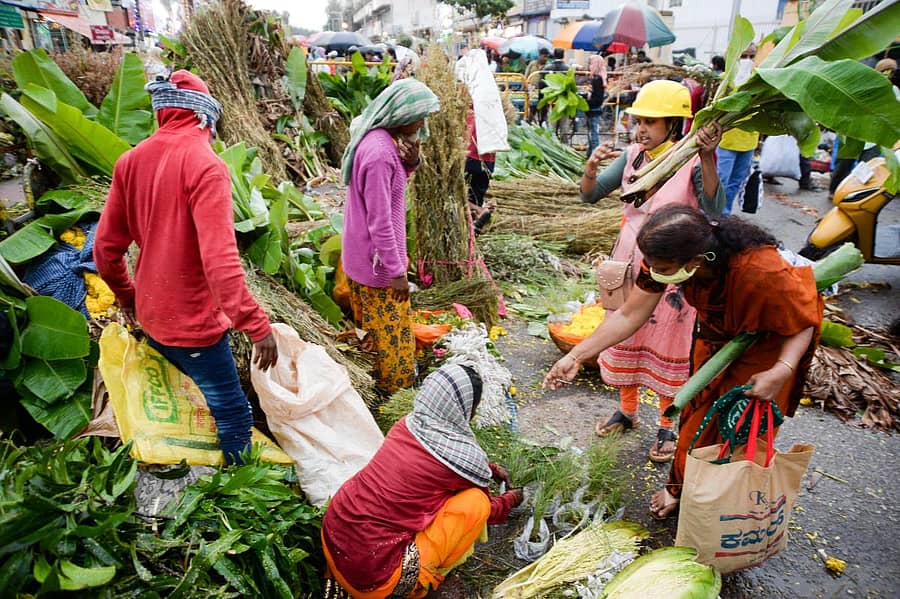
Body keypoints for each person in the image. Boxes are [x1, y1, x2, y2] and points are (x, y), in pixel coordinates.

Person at [544, 205, 823, 519]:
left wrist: (781, 371)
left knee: (740, 426)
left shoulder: (762, 271)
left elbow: (802, 321)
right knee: (695, 420)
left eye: (660, 266)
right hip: (715, 339)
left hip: (768, 348)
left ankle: (728, 506)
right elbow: (629, 313)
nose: (652, 271)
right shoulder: (666, 261)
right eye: (649, 263)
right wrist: (576, 355)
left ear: (696, 261)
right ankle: (680, 488)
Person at [93, 70, 278, 465]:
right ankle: (237, 494)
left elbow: (106, 251)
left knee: (183, 400)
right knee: (231, 411)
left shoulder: (130, 162)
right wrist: (256, 325)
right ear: (204, 117)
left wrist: (129, 297)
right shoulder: (206, 165)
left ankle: (185, 473)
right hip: (192, 322)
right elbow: (220, 262)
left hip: (152, 312)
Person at [580, 79, 725, 463]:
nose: (641, 129)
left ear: (674, 125)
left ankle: (666, 422)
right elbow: (590, 194)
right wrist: (591, 169)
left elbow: (714, 209)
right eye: (639, 120)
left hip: (671, 268)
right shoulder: (631, 157)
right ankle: (627, 410)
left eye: (652, 122)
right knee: (625, 336)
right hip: (629, 261)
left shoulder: (689, 158)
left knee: (668, 344)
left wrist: (709, 159)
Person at [322, 364, 524, 597]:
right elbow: (491, 510)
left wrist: (488, 469)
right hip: (375, 580)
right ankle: (419, 582)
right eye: (474, 408)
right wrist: (511, 499)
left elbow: (424, 470)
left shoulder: (407, 425)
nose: (475, 414)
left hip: (334, 538)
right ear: (462, 407)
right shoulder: (462, 460)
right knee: (476, 502)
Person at [340, 78, 440, 394]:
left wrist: (411, 163)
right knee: (394, 339)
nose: (423, 124)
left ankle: (374, 390)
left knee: (371, 335)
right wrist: (396, 272)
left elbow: (391, 192)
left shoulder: (379, 141)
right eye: (421, 116)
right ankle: (398, 400)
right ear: (402, 114)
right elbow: (381, 221)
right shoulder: (380, 153)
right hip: (376, 266)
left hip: (362, 260)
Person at [716, 43, 760, 213]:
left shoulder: (758, 78)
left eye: (751, 57)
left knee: (736, 181)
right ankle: (713, 213)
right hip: (727, 140)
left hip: (749, 141)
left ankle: (725, 213)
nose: (747, 61)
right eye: (743, 56)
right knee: (721, 180)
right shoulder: (725, 80)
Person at [586, 54, 608, 157]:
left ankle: (594, 154)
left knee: (593, 132)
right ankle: (590, 153)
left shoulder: (597, 78)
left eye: (590, 63)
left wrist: (586, 100)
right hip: (595, 108)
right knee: (592, 131)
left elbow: (596, 97)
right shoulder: (601, 77)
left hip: (593, 108)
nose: (589, 65)